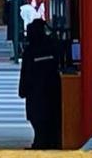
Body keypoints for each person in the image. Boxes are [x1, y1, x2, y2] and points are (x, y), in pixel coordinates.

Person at [18, 15, 62, 149]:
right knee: (50, 117)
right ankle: (51, 142)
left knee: (37, 118)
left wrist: (22, 90)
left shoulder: (30, 50)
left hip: (35, 92)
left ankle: (40, 142)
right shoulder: (53, 46)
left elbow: (25, 72)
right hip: (52, 90)